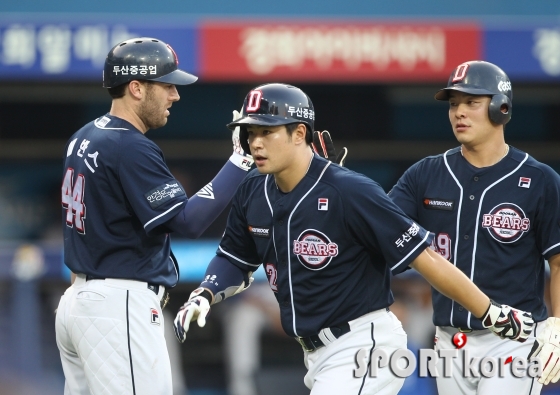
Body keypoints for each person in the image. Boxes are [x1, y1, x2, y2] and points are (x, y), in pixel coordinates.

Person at [172, 82, 534, 395]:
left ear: (300, 134)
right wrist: (205, 291)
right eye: (250, 132)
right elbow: (235, 257)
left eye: (268, 132)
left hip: (365, 346)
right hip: (316, 354)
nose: (256, 143)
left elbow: (427, 258)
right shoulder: (252, 189)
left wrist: (490, 312)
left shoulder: (350, 190)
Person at [317, 60, 560, 394]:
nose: (459, 112)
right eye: (454, 104)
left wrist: (557, 325)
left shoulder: (540, 180)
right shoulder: (425, 174)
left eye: (472, 102)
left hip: (512, 339)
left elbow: (558, 260)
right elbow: (376, 231)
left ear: (500, 108)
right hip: (450, 340)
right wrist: (337, 186)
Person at [54, 37, 253, 395]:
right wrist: (240, 160)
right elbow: (187, 223)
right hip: (118, 305)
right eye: (166, 86)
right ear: (136, 88)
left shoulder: (84, 136)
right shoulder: (129, 146)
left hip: (79, 303)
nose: (175, 96)